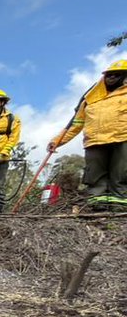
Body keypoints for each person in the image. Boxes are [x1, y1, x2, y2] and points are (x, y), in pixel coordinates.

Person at [48, 60, 127, 212]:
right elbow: (76, 124)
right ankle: (98, 206)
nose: (111, 78)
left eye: (116, 75)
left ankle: (120, 208)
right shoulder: (91, 99)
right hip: (95, 141)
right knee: (95, 176)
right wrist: (57, 141)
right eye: (108, 75)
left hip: (123, 139)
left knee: (121, 174)